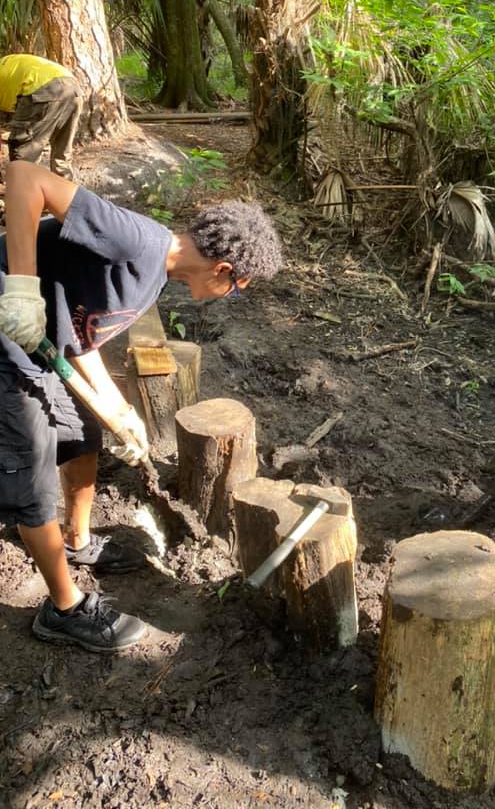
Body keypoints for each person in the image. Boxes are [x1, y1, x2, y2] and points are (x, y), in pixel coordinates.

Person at [0, 159, 283, 651]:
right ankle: (63, 609)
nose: (229, 296)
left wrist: (118, 410)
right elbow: (25, 176)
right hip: (6, 340)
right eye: (236, 288)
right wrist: (23, 290)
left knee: (82, 435)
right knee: (32, 472)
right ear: (223, 269)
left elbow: (82, 334)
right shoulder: (139, 242)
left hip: (34, 340)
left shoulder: (154, 278)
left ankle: (77, 540)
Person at [0, 53, 83, 180]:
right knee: (62, 157)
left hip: (41, 89)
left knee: (24, 152)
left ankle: (24, 196)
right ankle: (64, 196)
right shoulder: (7, 66)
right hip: (73, 86)